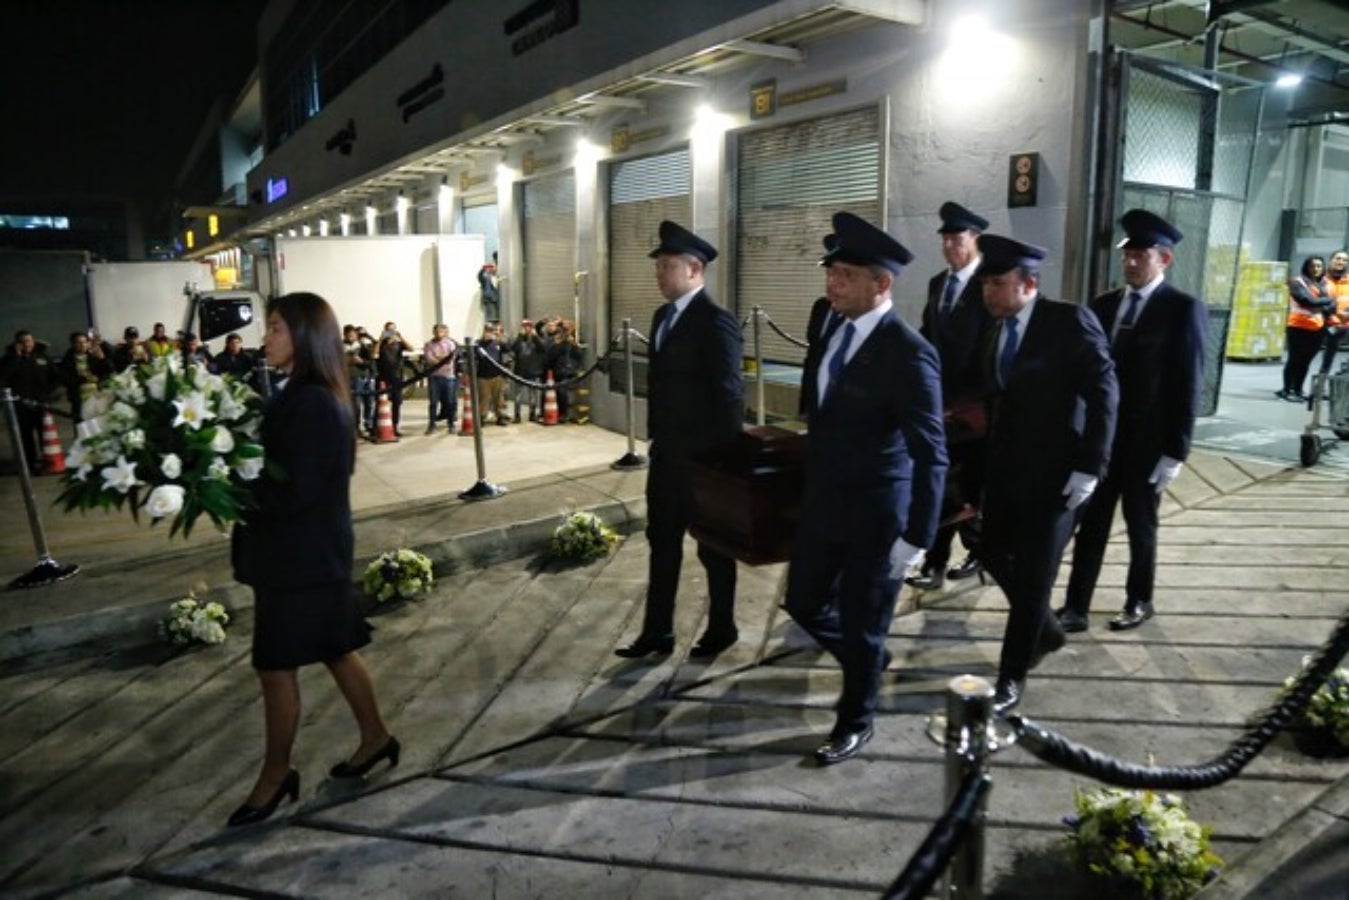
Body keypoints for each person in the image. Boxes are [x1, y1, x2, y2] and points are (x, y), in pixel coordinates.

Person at [782, 212, 947, 765]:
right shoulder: (831, 326)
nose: (832, 284)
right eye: (831, 273)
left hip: (878, 510)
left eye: (846, 275)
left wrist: (917, 536)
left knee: (863, 618)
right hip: (825, 500)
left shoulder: (909, 352)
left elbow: (931, 452)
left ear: (882, 284)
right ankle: (866, 659)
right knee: (803, 601)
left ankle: (856, 721)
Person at [228, 292, 397, 828]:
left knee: (275, 667)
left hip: (300, 556)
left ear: (303, 335)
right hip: (308, 552)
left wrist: (228, 486)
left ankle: (276, 776)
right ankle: (376, 738)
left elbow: (295, 490)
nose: (266, 337)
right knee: (335, 646)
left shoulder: (314, 401)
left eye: (275, 327)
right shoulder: (301, 392)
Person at [976, 234, 1117, 714]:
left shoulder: (1068, 321)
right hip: (1007, 473)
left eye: (997, 283)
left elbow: (1104, 393)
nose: (988, 293)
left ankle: (1011, 676)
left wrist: (1090, 467)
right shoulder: (996, 327)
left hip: (1059, 478)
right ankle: (1048, 630)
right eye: (985, 284)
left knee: (1035, 579)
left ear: (1029, 283)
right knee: (989, 549)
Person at [1057, 210, 1205, 637]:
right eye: (1128, 256)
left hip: (1148, 443)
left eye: (1142, 256)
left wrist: (1176, 451)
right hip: (1104, 441)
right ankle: (1075, 606)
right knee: (1092, 526)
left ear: (1165, 259)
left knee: (1142, 526)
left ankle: (1139, 599)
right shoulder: (1104, 306)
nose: (1132, 263)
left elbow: (1188, 383)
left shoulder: (1182, 309)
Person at [616, 220, 745, 661]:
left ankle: (723, 625)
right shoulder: (660, 318)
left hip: (705, 463)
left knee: (714, 548)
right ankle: (658, 631)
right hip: (667, 456)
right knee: (662, 543)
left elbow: (730, 397)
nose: (658, 273)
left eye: (667, 265)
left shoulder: (716, 321)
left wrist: (724, 465)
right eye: (658, 266)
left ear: (694, 269)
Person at [907, 201, 993, 592]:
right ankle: (936, 561)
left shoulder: (989, 284)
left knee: (968, 484)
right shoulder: (938, 284)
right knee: (941, 482)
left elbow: (990, 348)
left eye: (956, 240)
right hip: (940, 405)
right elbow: (928, 337)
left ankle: (980, 551)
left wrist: (970, 400)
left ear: (975, 240)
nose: (949, 247)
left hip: (974, 407)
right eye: (944, 240)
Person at [1278, 256, 1332, 402]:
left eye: (1319, 266)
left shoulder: (1324, 284)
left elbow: (1331, 307)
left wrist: (1322, 303)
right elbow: (1305, 300)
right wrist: (1326, 301)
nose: (1316, 269)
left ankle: (1298, 389)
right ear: (1306, 267)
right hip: (1298, 327)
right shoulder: (1297, 282)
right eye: (1313, 266)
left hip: (1317, 328)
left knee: (1306, 361)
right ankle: (1286, 389)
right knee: (1294, 359)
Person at [0, 330, 55, 474]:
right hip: (20, 406)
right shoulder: (8, 359)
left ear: (33, 341)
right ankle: (29, 465)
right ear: (17, 344)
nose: (27, 344)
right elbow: (3, 378)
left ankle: (48, 463)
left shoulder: (42, 357)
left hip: (41, 403)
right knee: (25, 438)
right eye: (23, 342)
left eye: (29, 341)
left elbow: (55, 376)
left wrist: (48, 393)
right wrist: (16, 358)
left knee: (46, 436)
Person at [57, 331, 112, 423]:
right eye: (79, 342)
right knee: (81, 425)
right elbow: (64, 380)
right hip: (79, 399)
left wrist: (102, 358)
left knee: (97, 424)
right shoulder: (67, 360)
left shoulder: (93, 357)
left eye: (85, 342)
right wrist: (84, 379)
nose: (82, 345)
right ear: (73, 344)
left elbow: (109, 370)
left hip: (96, 397)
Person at [374, 322, 411, 437]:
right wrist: (380, 339)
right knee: (380, 403)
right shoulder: (381, 344)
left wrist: (400, 337)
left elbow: (411, 348)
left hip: (396, 377)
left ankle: (395, 426)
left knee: (396, 403)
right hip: (383, 378)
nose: (390, 333)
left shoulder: (399, 344)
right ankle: (377, 427)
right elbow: (374, 354)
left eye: (393, 330)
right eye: (388, 330)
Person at [421, 324, 459, 434]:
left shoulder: (450, 344)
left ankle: (451, 424)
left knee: (450, 401)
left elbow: (451, 358)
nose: (439, 333)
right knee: (433, 402)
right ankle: (432, 425)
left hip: (448, 376)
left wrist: (439, 357)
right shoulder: (429, 344)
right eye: (437, 331)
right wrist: (441, 359)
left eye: (441, 331)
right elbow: (429, 359)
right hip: (434, 377)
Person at [546, 320, 584, 422]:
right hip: (559, 371)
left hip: (570, 371)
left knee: (565, 393)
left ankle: (566, 414)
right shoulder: (556, 341)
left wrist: (574, 345)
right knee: (560, 393)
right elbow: (551, 356)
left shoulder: (573, 341)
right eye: (564, 329)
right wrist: (557, 345)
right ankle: (563, 413)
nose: (565, 332)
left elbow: (579, 356)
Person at [1319, 249, 1349, 377]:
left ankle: (1320, 386)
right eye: (1337, 258)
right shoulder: (1321, 280)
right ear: (1331, 261)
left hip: (1342, 325)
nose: (1340, 262)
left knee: (1328, 358)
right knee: (1304, 356)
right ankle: (1293, 388)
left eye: (1344, 260)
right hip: (1320, 322)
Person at [342, 325, 376, 436]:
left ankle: (369, 424)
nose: (351, 336)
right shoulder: (340, 346)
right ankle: (356, 427)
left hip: (364, 376)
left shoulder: (362, 346)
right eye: (349, 335)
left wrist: (361, 362)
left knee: (369, 402)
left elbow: (370, 361)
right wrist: (347, 361)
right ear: (345, 335)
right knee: (355, 404)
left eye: (353, 334)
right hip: (351, 378)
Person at [510, 318, 547, 422]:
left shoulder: (536, 339)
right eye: (525, 327)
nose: (527, 329)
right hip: (519, 372)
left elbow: (543, 348)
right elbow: (513, 348)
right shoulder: (518, 339)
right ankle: (517, 415)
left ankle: (532, 414)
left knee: (533, 396)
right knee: (518, 396)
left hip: (533, 372)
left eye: (529, 327)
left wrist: (535, 336)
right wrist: (520, 336)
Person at [475, 322, 509, 426]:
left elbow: (508, 350)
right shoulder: (478, 344)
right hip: (483, 376)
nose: (489, 333)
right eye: (488, 331)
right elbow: (477, 356)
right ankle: (481, 417)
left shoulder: (497, 343)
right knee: (484, 398)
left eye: (491, 331)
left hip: (497, 375)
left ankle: (500, 416)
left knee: (498, 398)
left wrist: (500, 339)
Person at [478, 252, 501, 322]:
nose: (493, 269)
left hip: (497, 300)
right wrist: (484, 269)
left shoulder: (496, 277)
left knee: (498, 319)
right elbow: (480, 276)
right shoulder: (485, 278)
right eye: (491, 268)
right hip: (490, 300)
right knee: (492, 318)